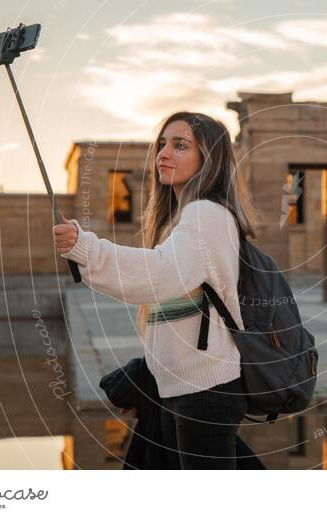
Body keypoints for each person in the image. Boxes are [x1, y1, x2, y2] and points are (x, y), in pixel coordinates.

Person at [53, 111, 264, 469]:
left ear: (208, 158)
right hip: (179, 388)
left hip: (205, 391)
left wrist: (86, 248)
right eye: (162, 144)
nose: (164, 153)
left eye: (180, 145)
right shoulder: (181, 218)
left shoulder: (206, 215)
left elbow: (160, 274)